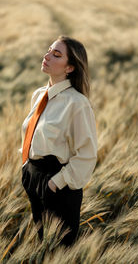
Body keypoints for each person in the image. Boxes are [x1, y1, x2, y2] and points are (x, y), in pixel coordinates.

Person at [21, 35, 97, 247]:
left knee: (60, 250)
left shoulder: (77, 104)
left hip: (58, 184)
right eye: (49, 50)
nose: (47, 56)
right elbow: (32, 132)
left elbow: (87, 155)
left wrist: (55, 184)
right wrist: (26, 166)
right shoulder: (38, 95)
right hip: (33, 176)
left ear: (70, 68)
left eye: (56, 55)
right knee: (41, 244)